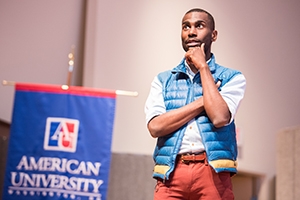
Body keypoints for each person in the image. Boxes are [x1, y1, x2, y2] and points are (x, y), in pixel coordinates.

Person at [144, 8, 246, 200]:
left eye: (199, 26)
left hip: (213, 172)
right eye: (186, 27)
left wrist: (203, 66)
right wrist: (202, 102)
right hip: (171, 173)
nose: (191, 32)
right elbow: (156, 127)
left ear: (213, 35)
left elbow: (219, 117)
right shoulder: (163, 79)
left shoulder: (232, 77)